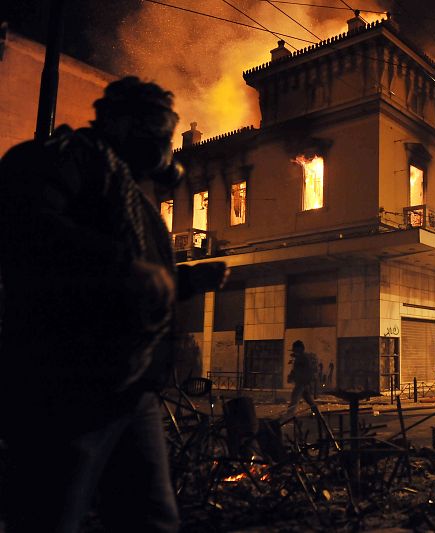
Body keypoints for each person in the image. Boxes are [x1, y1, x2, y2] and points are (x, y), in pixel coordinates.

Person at [0, 77, 228, 532]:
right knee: (48, 517)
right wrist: (126, 267)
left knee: (150, 519)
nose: (165, 144)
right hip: (69, 384)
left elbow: (135, 282)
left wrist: (185, 281)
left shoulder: (131, 195)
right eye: (159, 129)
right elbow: (27, 226)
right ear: (120, 123)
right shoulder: (63, 160)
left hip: (129, 386)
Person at [285, 340, 319, 417]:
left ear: (299, 348)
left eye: (295, 348)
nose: (294, 350)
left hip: (301, 383)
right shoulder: (301, 358)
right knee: (309, 400)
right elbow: (297, 370)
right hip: (303, 383)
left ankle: (289, 415)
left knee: (294, 399)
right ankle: (317, 413)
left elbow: (301, 370)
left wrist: (292, 376)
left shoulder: (302, 358)